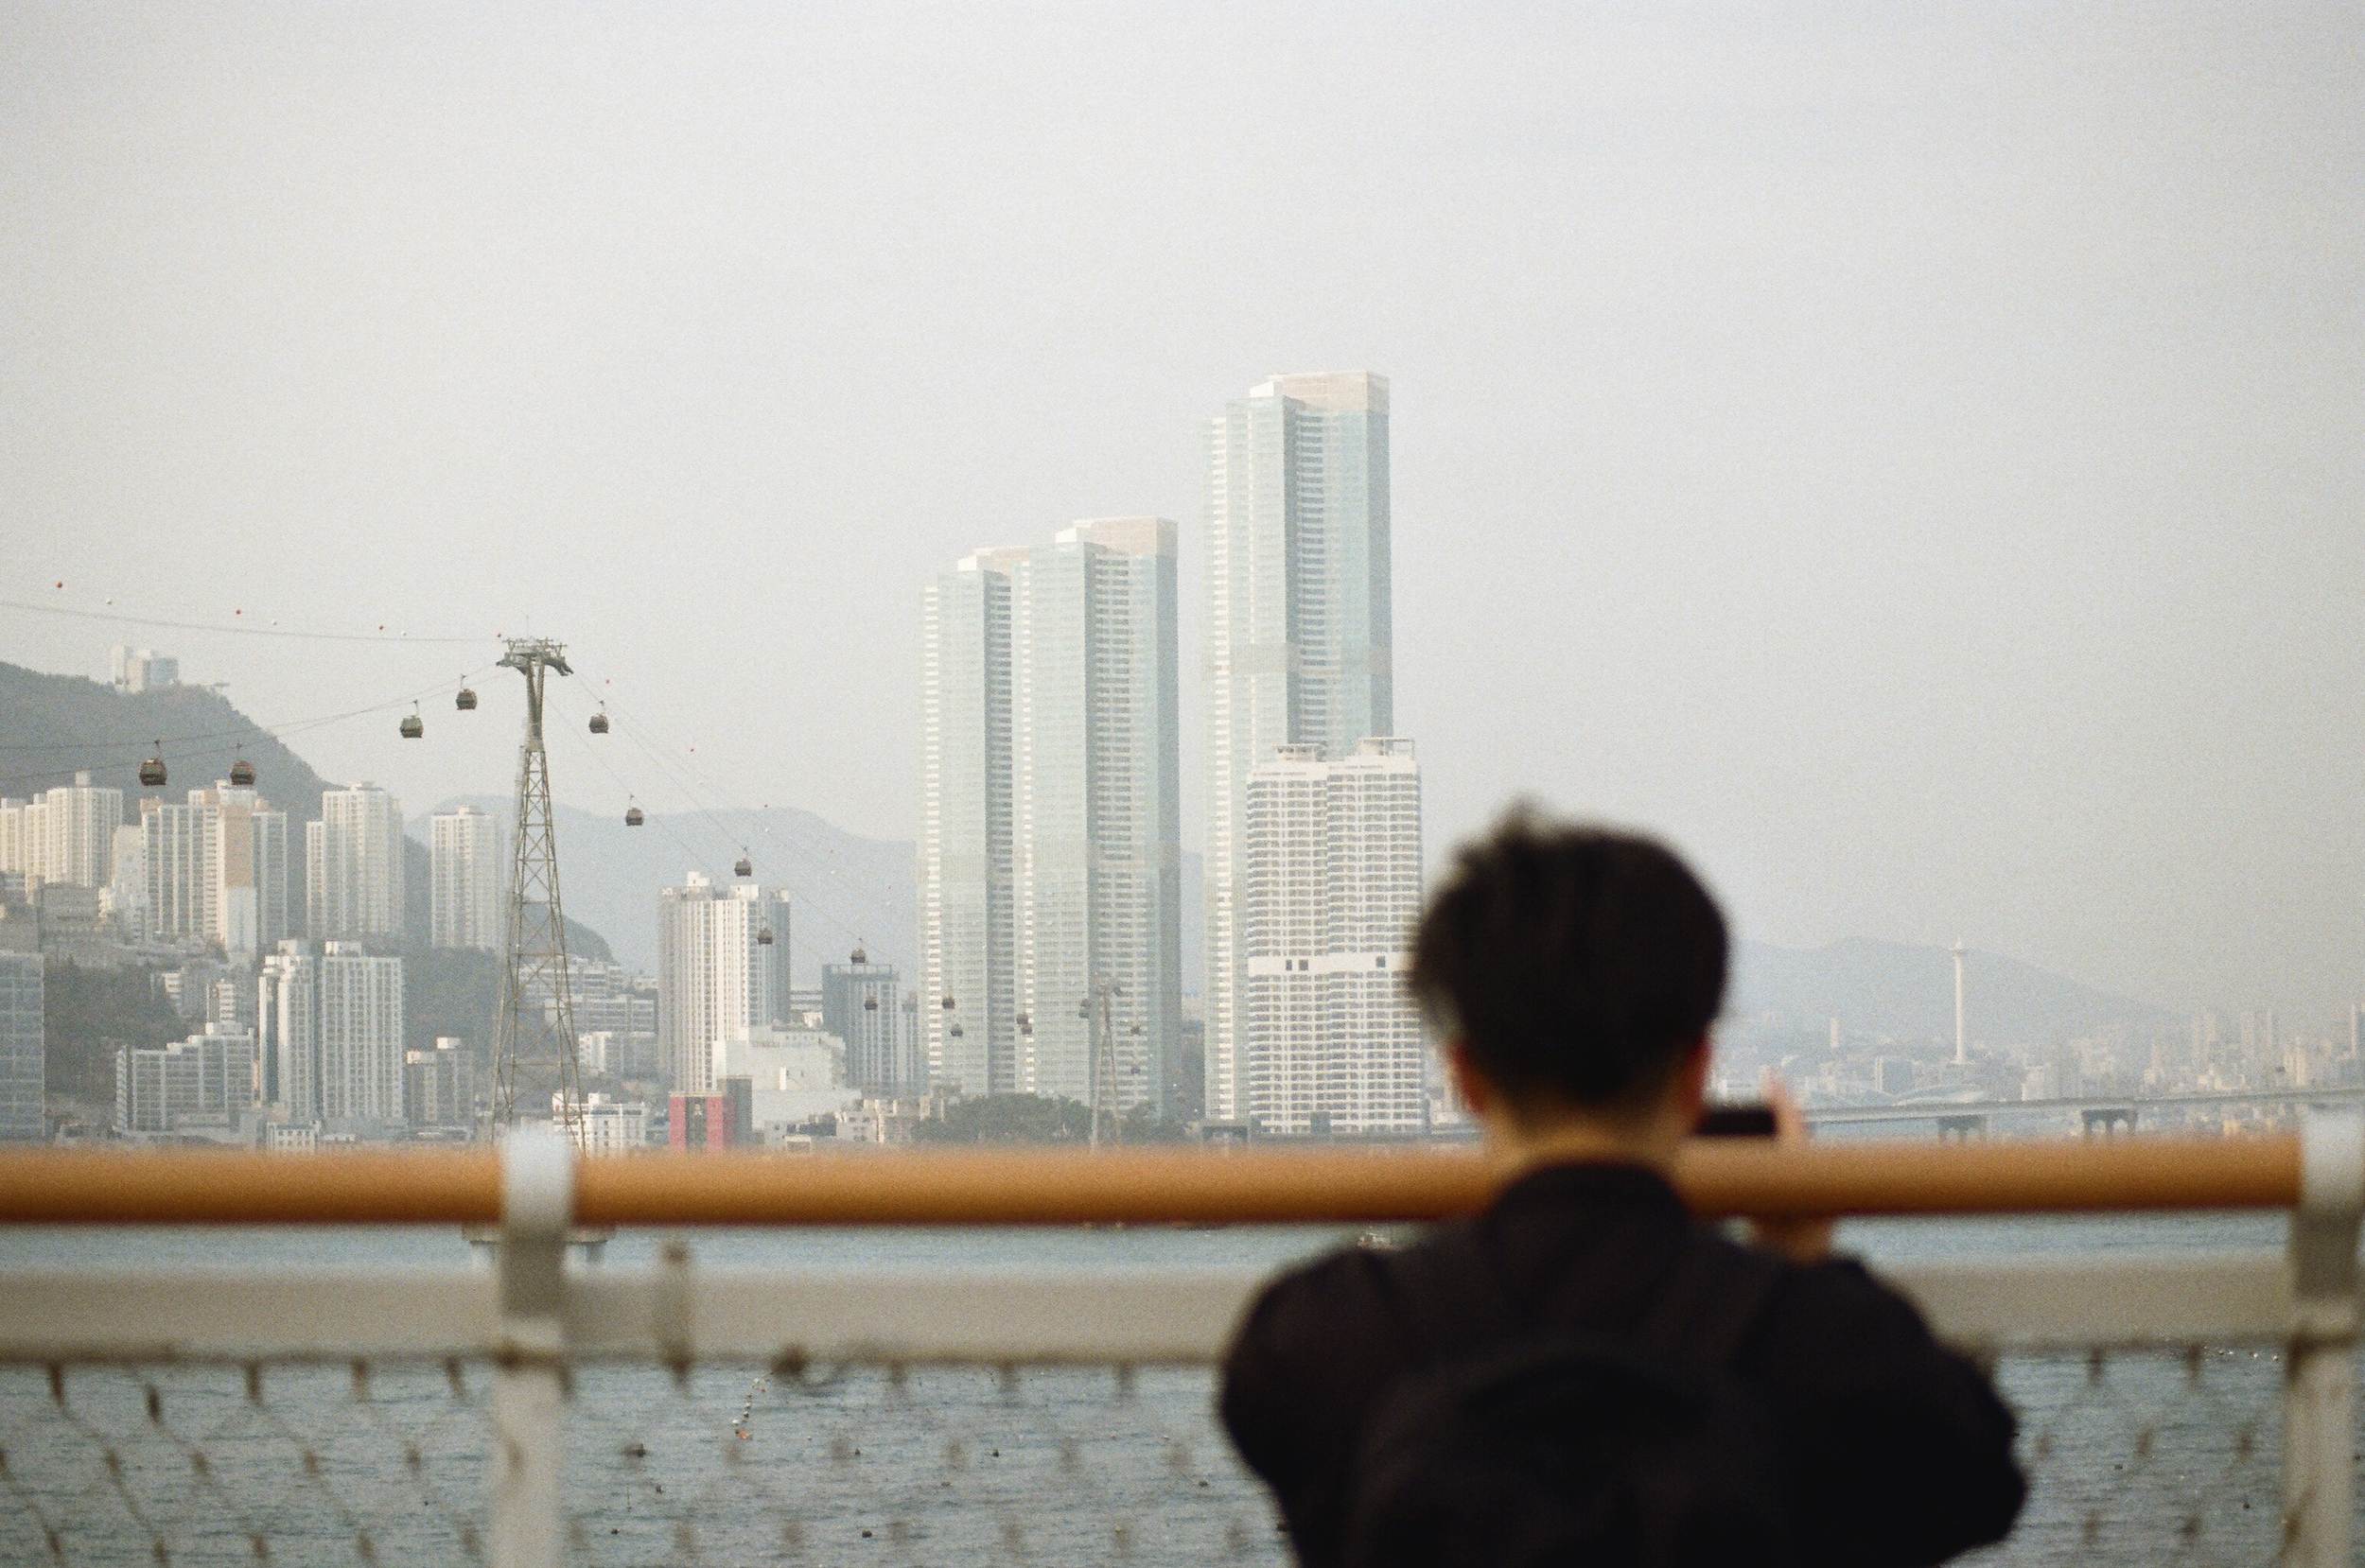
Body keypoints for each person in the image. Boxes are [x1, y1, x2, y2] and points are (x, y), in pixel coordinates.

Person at [1219, 810, 2025, 1568]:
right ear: (1696, 1075)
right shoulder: (1813, 1342)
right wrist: (1801, 1254)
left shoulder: (1334, 1337)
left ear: (1466, 1077)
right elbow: (1977, 1481)